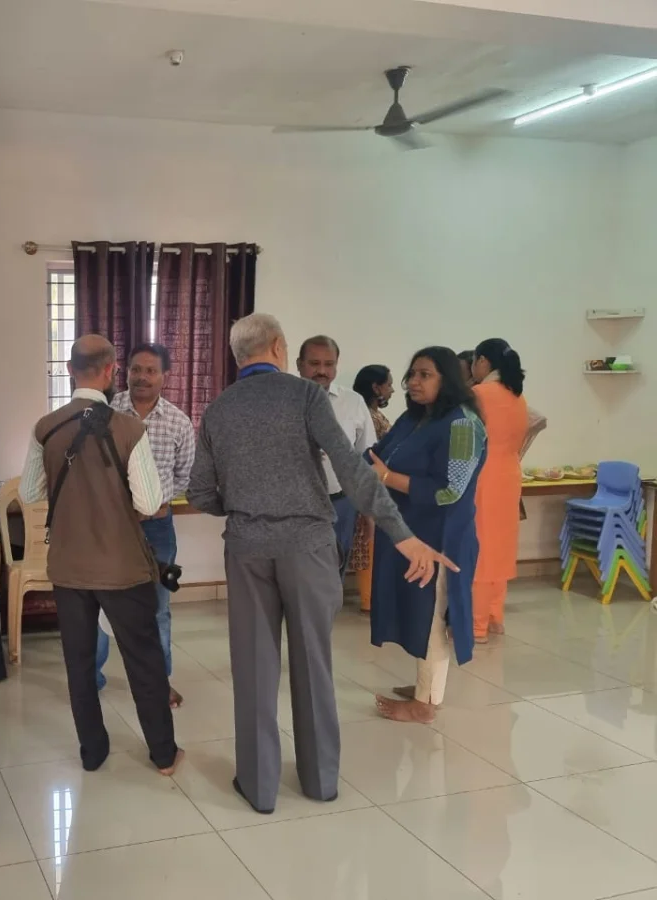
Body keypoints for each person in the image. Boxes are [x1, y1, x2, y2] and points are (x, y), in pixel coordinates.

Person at [188, 313, 453, 815]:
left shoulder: (219, 408)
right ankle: (320, 780)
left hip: (247, 548)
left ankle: (259, 786)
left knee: (253, 668)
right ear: (278, 347)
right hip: (308, 545)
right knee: (313, 663)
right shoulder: (306, 396)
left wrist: (242, 505)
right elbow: (353, 471)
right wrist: (403, 535)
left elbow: (200, 490)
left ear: (239, 355)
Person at [20, 334, 182, 776]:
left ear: (70, 370)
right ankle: (164, 755)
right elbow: (149, 502)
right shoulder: (130, 429)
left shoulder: (45, 428)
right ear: (112, 371)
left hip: (68, 567)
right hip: (122, 568)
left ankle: (92, 752)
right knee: (144, 660)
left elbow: (29, 492)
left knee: (79, 663)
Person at [367, 346, 487, 724]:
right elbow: (376, 456)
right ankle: (425, 685)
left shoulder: (463, 425)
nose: (413, 382)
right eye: (412, 374)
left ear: (447, 379)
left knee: (433, 614)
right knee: (417, 611)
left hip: (441, 538)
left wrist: (387, 478)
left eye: (425, 375)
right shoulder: (414, 417)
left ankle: (426, 704)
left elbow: (449, 491)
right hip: (408, 533)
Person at [92, 342, 195, 708]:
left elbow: (184, 476)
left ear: (165, 376)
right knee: (98, 604)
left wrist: (155, 504)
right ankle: (91, 677)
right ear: (125, 372)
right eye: (136, 369)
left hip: (156, 529)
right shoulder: (105, 413)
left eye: (151, 371)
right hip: (110, 526)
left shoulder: (178, 422)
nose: (142, 377)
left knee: (157, 608)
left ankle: (157, 682)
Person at [469, 338, 546, 642]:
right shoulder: (518, 397)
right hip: (509, 477)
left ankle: (476, 626)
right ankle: (494, 617)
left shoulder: (479, 394)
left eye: (474, 361)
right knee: (500, 549)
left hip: (483, 478)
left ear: (483, 362)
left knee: (480, 550)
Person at [296, 336, 376, 572]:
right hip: (295, 507)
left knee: (334, 572)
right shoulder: (282, 400)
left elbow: (366, 458)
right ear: (299, 364)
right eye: (314, 363)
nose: (322, 371)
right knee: (297, 575)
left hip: (341, 504)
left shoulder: (353, 402)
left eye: (329, 364)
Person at [348, 365, 395, 613]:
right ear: (376, 387)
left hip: (376, 486)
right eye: (389, 384)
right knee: (368, 543)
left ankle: (372, 597)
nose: (392, 390)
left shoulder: (373, 414)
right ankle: (370, 599)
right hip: (370, 487)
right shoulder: (369, 417)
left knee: (370, 543)